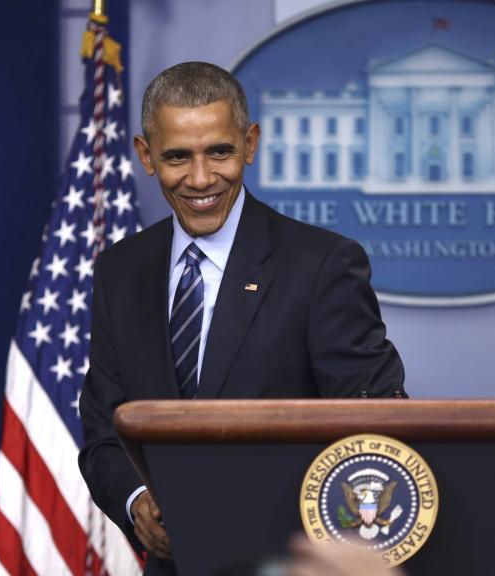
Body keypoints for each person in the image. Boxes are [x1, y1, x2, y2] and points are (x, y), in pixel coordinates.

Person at [78, 62, 406, 575]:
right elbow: (103, 427)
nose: (202, 178)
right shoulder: (121, 270)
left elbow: (376, 430)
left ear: (249, 144)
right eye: (177, 157)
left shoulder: (322, 265)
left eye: (220, 152)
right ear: (146, 156)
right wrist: (137, 499)